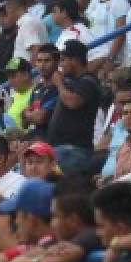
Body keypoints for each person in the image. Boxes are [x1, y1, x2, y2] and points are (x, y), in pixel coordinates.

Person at [45, 41, 103, 176]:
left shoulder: (89, 81)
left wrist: (59, 83)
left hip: (75, 151)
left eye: (64, 60)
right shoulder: (71, 82)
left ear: (75, 60)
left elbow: (73, 102)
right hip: (61, 150)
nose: (61, 64)